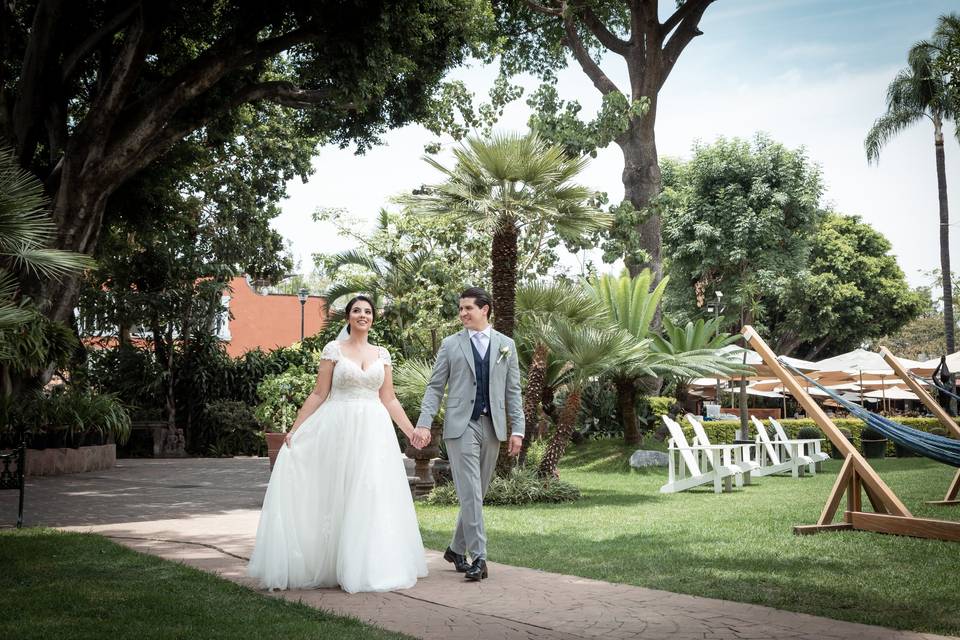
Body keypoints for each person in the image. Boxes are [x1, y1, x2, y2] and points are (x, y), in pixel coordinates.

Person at [247, 295, 431, 593]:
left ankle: (368, 564)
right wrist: (295, 429)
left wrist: (411, 432)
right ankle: (333, 563)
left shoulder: (382, 353)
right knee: (339, 492)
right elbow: (319, 394)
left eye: (367, 311)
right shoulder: (333, 350)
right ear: (348, 317)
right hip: (339, 429)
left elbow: (389, 398)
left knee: (370, 491)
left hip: (374, 431)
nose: (362, 315)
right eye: (356, 311)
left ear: (373, 318)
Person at [417, 287, 524, 582]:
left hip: (493, 426)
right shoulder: (452, 345)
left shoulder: (506, 345)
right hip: (460, 426)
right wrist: (424, 423)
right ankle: (479, 557)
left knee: (477, 492)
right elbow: (435, 386)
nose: (462, 313)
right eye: (460, 309)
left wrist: (518, 429)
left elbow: (513, 390)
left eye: (468, 308)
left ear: (485, 309)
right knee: (471, 491)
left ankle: (455, 548)